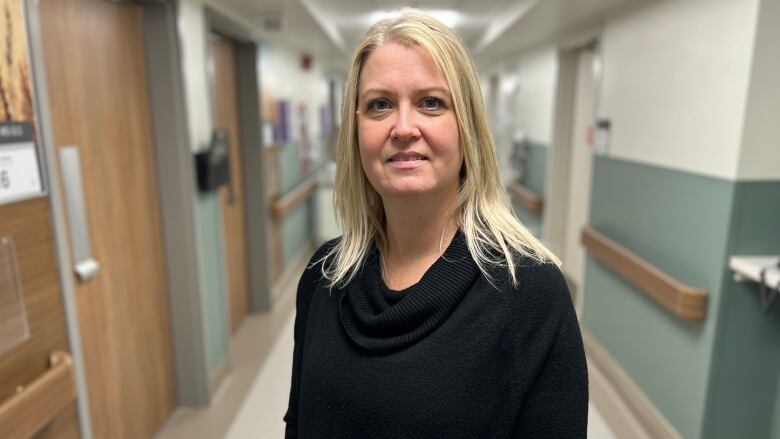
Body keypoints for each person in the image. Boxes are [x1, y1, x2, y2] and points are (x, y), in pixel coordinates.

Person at [284, 9, 587, 438]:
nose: (403, 127)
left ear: (467, 126)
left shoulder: (531, 293)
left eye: (431, 102)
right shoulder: (323, 277)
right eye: (380, 105)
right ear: (355, 130)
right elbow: (298, 425)